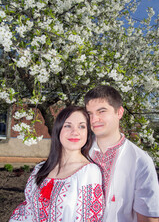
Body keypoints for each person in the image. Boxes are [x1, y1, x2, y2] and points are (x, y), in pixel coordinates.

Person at [9, 106, 105, 222]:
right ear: (58, 130)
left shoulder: (89, 172)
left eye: (82, 126)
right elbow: (27, 210)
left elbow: (91, 218)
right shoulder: (41, 169)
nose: (75, 132)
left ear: (87, 133)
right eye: (68, 126)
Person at [84, 85, 159, 222]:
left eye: (101, 111)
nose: (94, 119)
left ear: (119, 112)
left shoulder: (140, 160)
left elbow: (149, 218)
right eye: (89, 113)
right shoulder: (80, 153)